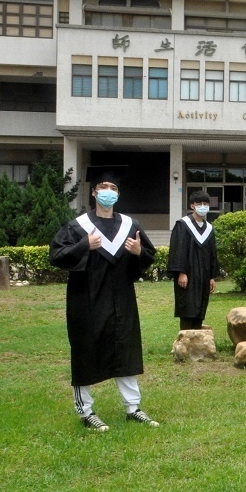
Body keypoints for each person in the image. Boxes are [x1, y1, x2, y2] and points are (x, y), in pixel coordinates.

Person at [48, 165, 159, 432]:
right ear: (94, 192)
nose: (108, 192)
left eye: (113, 188)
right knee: (86, 348)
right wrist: (84, 244)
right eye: (103, 188)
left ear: (118, 194)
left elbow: (149, 257)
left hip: (122, 299)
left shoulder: (129, 225)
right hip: (86, 299)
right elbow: (56, 256)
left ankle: (133, 408)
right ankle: (86, 411)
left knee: (125, 347)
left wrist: (138, 251)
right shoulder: (78, 227)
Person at [168, 189, 219, 331]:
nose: (203, 206)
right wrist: (181, 272)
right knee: (188, 306)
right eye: (199, 203)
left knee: (201, 305)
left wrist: (211, 277)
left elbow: (212, 254)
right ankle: (185, 339)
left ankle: (197, 338)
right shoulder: (182, 225)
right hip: (188, 274)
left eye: (205, 203)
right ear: (192, 206)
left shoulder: (209, 228)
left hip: (204, 275)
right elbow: (178, 250)